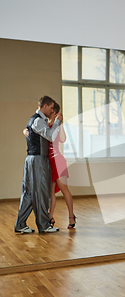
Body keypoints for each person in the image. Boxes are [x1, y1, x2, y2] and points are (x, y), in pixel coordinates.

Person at [23, 102, 76, 229]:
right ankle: (50, 217)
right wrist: (25, 130)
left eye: (52, 111)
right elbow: (34, 134)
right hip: (48, 161)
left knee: (64, 189)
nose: (50, 113)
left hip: (58, 160)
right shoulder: (43, 125)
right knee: (50, 192)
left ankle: (71, 216)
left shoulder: (56, 126)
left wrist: (61, 123)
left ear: (55, 113)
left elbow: (62, 139)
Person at [15, 96, 62, 234]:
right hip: (39, 160)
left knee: (28, 193)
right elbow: (51, 136)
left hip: (31, 159)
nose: (53, 110)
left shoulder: (34, 120)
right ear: (45, 106)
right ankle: (44, 225)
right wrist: (58, 121)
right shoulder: (38, 120)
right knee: (42, 192)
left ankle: (20, 224)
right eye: (51, 107)